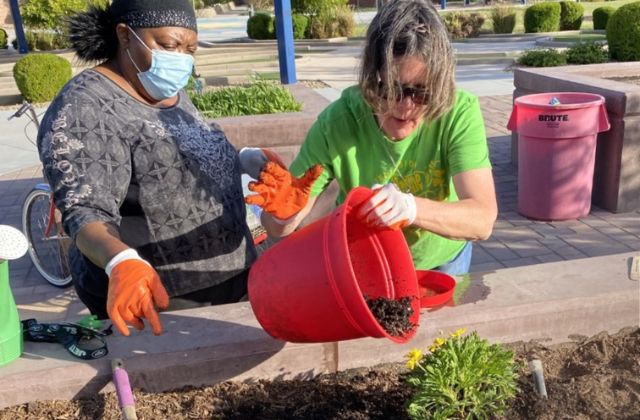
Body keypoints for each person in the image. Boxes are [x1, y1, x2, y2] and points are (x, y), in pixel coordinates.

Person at [38, 0, 262, 337]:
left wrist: (244, 159)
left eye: (190, 49)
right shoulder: (85, 106)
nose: (181, 59)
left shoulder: (166, 90)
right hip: (163, 294)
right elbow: (84, 211)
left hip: (230, 276)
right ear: (125, 35)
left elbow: (188, 146)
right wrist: (120, 262)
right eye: (170, 45)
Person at [244, 0, 498, 276]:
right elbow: (279, 229)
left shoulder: (457, 111)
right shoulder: (338, 123)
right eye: (391, 89)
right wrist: (284, 213)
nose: (405, 106)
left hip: (441, 261)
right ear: (369, 78)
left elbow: (482, 219)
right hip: (364, 260)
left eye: (422, 93)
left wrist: (412, 208)